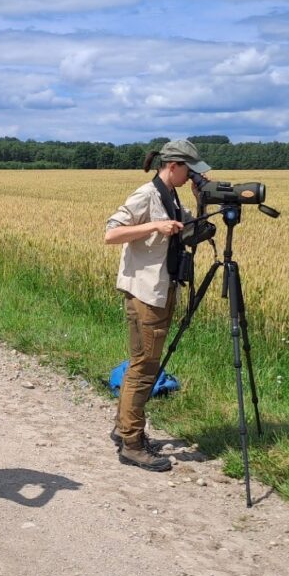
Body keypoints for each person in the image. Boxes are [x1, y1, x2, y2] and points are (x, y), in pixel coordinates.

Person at [103, 139, 209, 472]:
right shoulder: (147, 195)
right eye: (190, 171)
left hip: (160, 290)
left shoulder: (172, 196)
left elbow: (194, 232)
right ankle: (132, 444)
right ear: (174, 165)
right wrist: (155, 226)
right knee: (144, 367)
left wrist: (200, 202)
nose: (192, 177)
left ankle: (124, 428)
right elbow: (111, 233)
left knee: (143, 364)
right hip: (146, 294)